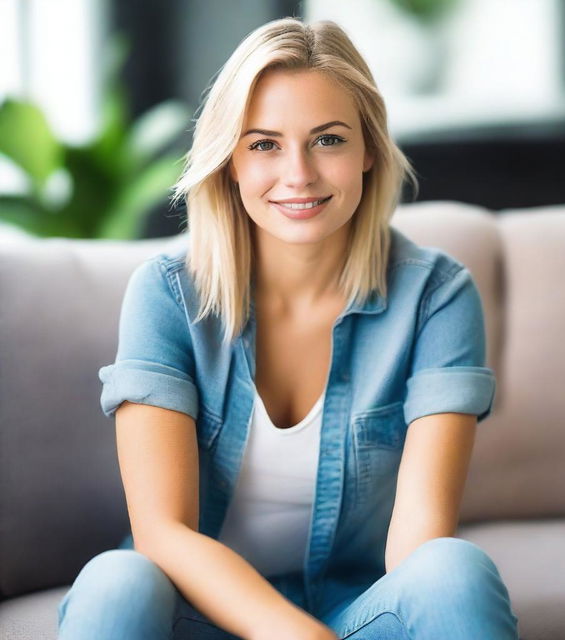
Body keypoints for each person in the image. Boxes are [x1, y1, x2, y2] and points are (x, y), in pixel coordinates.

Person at [57, 16, 520, 640]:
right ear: (229, 162)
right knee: (118, 580)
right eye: (264, 143)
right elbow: (161, 531)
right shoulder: (166, 293)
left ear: (368, 151)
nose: (298, 174)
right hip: (198, 615)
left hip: (357, 614)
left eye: (328, 140)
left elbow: (418, 549)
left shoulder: (435, 295)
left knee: (452, 569)